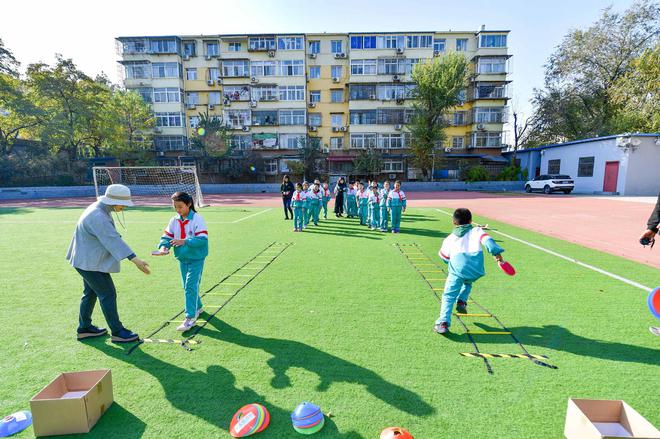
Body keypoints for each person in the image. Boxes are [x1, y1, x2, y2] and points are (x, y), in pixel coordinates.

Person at [66, 184, 150, 343]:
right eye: (123, 203)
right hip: (89, 262)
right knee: (108, 293)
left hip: (85, 260)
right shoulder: (98, 215)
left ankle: (84, 328)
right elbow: (112, 240)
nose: (125, 206)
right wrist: (136, 260)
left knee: (91, 293)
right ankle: (118, 332)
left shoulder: (99, 208)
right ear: (113, 201)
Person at [434, 208, 506, 334]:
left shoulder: (450, 238)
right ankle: (462, 300)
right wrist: (497, 255)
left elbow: (444, 257)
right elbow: (488, 241)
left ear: (454, 222)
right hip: (475, 270)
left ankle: (443, 322)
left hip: (458, 269)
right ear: (471, 221)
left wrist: (451, 262)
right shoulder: (477, 230)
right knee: (468, 282)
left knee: (449, 295)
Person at [157, 192, 209, 332]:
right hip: (182, 258)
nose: (178, 209)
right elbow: (166, 237)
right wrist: (163, 248)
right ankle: (198, 307)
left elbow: (202, 240)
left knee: (190, 286)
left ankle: (190, 317)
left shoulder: (197, 219)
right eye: (175, 207)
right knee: (187, 286)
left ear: (189, 204)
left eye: (180, 206)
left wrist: (184, 241)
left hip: (196, 258)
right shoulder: (174, 220)